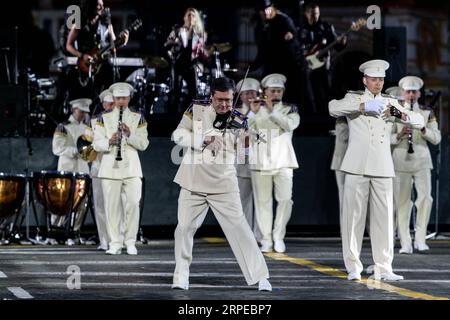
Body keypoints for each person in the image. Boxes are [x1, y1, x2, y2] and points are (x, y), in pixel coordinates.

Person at [171, 77, 272, 291]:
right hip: (193, 180)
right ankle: (181, 275)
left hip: (223, 183)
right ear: (211, 97)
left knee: (240, 228)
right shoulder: (196, 108)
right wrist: (202, 140)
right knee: (184, 228)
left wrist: (246, 142)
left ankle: (260, 276)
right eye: (220, 100)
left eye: (228, 100)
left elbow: (244, 158)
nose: (224, 105)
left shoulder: (239, 119)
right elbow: (178, 134)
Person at [328, 59, 425, 281]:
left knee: (384, 219)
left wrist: (400, 115)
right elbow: (332, 108)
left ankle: (384, 266)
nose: (378, 83)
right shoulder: (355, 98)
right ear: (365, 80)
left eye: (381, 79)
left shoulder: (391, 102)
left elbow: (419, 121)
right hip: (357, 165)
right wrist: (362, 107)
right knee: (353, 218)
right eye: (374, 79)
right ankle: (353, 266)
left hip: (382, 166)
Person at [93, 82, 149, 255]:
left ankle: (130, 241)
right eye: (118, 98)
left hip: (132, 168)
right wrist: (109, 141)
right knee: (111, 207)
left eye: (124, 98)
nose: (121, 101)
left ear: (129, 98)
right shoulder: (103, 117)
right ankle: (115, 242)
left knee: (133, 203)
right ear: (114, 99)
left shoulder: (138, 117)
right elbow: (96, 143)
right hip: (110, 167)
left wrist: (129, 134)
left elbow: (144, 143)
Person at [247, 73, 300, 253]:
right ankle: (266, 239)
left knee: (285, 200)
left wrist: (271, 111)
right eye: (272, 90)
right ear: (265, 92)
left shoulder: (289, 109)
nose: (276, 94)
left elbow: (289, 125)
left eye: (279, 91)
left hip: (284, 161)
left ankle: (279, 236)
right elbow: (245, 130)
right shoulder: (255, 109)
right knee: (263, 203)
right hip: (261, 162)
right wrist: (251, 113)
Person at [391, 76, 441, 253]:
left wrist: (423, 129)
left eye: (414, 92)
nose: (411, 95)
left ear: (419, 93)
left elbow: (437, 138)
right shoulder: (394, 111)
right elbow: (385, 139)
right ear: (402, 93)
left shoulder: (427, 112)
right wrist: (399, 135)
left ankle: (420, 239)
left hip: (421, 161)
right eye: (408, 92)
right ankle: (405, 242)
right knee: (402, 202)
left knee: (426, 199)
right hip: (400, 161)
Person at [65, 0, 129, 100]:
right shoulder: (80, 22)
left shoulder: (106, 23)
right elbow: (68, 45)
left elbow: (113, 45)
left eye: (102, 5)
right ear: (91, 6)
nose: (102, 8)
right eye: (99, 5)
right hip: (85, 68)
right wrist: (82, 56)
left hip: (102, 67)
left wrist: (123, 42)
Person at [51, 98, 91, 245]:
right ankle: (55, 231)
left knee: (82, 203)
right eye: (81, 111)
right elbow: (57, 148)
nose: (83, 115)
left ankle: (74, 232)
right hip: (67, 169)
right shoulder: (63, 127)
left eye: (85, 112)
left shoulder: (87, 128)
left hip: (82, 170)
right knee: (61, 201)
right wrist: (75, 151)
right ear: (74, 110)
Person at [252, 1, 304, 106]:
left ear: (272, 8)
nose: (265, 12)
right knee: (265, 90)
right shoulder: (260, 26)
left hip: (286, 65)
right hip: (270, 65)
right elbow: (262, 50)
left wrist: (290, 35)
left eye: (267, 9)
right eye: (262, 10)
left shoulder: (284, 20)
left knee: (287, 95)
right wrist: (252, 66)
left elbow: (292, 35)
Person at [298, 3, 347, 116]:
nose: (314, 16)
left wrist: (343, 42)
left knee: (325, 93)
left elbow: (337, 47)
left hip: (323, 67)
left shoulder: (326, 27)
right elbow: (296, 49)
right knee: (307, 94)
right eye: (312, 13)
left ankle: (325, 120)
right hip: (306, 67)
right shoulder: (300, 29)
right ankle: (309, 119)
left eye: (316, 13)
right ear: (306, 13)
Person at [164, 7, 209, 111]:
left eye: (193, 15)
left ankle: (190, 114)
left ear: (196, 18)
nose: (190, 17)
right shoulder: (177, 30)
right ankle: (173, 115)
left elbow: (202, 51)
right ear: (185, 17)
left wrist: (204, 54)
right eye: (188, 15)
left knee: (193, 92)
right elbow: (167, 44)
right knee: (176, 91)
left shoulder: (200, 34)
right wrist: (173, 44)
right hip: (178, 63)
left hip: (191, 64)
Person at [86, 89, 114, 250]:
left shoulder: (120, 120)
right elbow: (87, 144)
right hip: (98, 167)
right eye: (107, 103)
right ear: (103, 104)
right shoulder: (94, 122)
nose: (109, 106)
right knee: (101, 206)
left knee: (119, 205)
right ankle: (104, 240)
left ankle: (118, 239)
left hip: (116, 168)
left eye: (112, 104)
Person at [235, 77, 263, 242]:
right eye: (246, 93)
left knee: (261, 200)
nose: (250, 96)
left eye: (253, 92)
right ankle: (245, 236)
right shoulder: (235, 113)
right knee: (243, 201)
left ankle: (260, 235)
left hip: (261, 161)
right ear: (240, 95)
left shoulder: (265, 110)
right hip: (243, 161)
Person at [330, 116, 348, 228]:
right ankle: (344, 227)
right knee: (343, 194)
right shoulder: (342, 124)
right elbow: (343, 135)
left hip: (349, 163)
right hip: (341, 162)